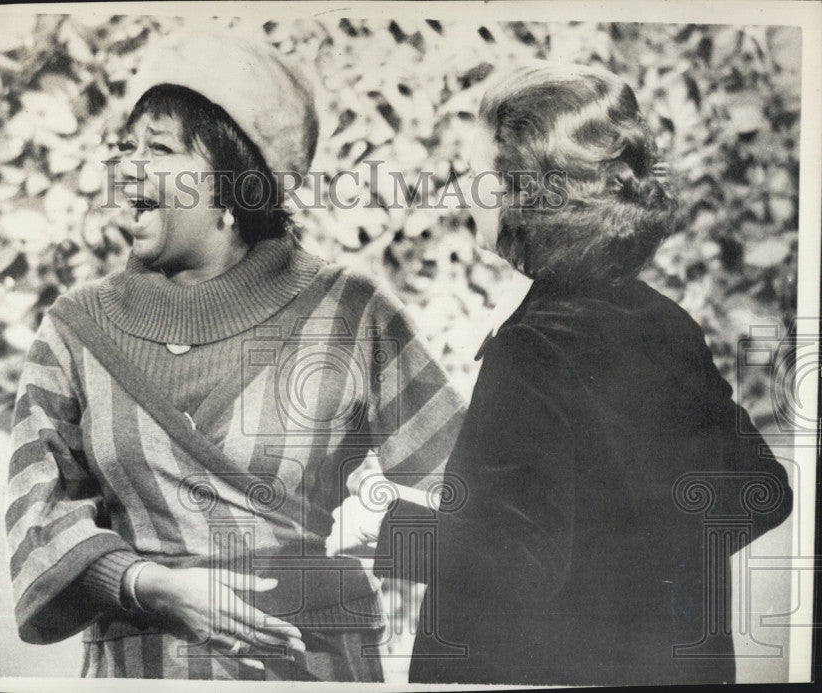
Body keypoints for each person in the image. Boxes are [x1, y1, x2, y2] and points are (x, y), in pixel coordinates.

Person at [5, 34, 466, 681]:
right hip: (140, 669)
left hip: (311, 668)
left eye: (158, 149)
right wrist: (147, 584)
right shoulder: (76, 330)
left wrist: (354, 546)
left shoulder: (352, 313)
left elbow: (481, 506)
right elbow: (37, 514)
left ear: (232, 182)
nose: (127, 168)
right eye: (127, 147)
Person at [328, 61, 793, 686]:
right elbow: (759, 491)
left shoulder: (532, 347)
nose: (465, 191)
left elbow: (517, 563)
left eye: (479, 173)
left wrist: (382, 528)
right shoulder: (665, 321)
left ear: (530, 192)